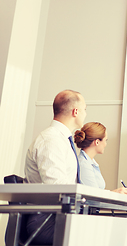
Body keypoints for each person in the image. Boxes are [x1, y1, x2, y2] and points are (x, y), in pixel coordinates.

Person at [24, 90, 87, 244]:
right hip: (46, 220)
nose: (85, 113)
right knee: (99, 233)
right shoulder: (51, 140)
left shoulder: (61, 140)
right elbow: (57, 187)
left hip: (57, 215)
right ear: (76, 112)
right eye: (85, 109)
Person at [74, 122, 127, 196]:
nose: (105, 144)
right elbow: (93, 195)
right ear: (97, 142)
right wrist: (115, 193)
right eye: (105, 140)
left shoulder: (90, 163)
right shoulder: (83, 164)